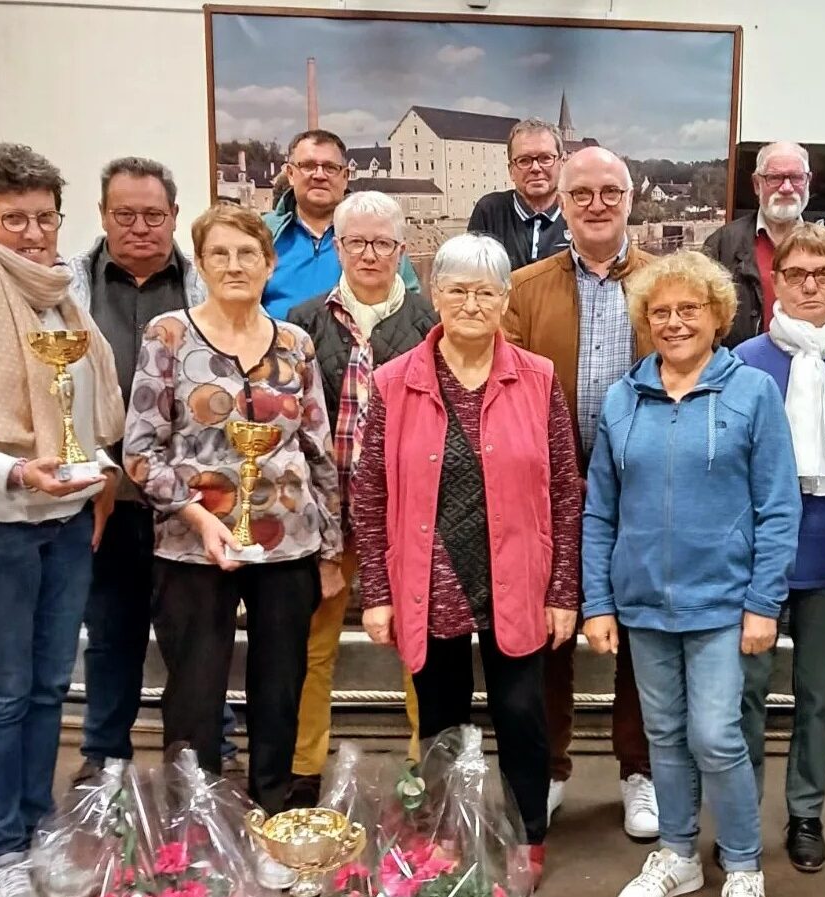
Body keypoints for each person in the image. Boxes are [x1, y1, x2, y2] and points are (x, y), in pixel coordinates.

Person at [123, 203, 343, 889]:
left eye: (248, 254)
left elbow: (319, 448)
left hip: (288, 544)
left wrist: (331, 546)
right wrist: (194, 513)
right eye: (219, 254)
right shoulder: (168, 337)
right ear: (202, 263)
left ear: (269, 264)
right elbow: (138, 450)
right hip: (191, 546)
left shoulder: (295, 344)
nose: (235, 266)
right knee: (194, 692)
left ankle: (274, 824)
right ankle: (197, 829)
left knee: (280, 690)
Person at [355, 233, 582, 886]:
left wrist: (563, 589)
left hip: (517, 576)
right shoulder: (394, 383)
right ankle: (443, 834)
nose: (472, 302)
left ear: (506, 299)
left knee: (521, 714)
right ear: (435, 295)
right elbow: (370, 492)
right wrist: (378, 591)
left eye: (486, 290)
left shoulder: (537, 379)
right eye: (457, 289)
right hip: (432, 579)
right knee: (441, 718)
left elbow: (565, 489)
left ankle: (526, 836)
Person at [582, 249, 800, 897]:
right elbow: (600, 511)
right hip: (643, 605)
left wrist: (764, 602)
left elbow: (778, 505)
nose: (674, 322)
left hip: (724, 605)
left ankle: (741, 863)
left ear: (718, 315)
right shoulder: (624, 398)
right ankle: (677, 854)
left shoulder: (752, 392)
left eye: (689, 309)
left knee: (716, 735)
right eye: (661, 312)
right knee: (665, 735)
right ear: (646, 321)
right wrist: (598, 601)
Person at [0, 143, 124, 897]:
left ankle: (38, 826)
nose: (34, 233)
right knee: (0, 694)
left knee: (51, 687)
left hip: (64, 521)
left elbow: (75, 408)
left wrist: (98, 469)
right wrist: (12, 469)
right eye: (14, 219)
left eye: (45, 216)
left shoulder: (59, 294)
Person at [64, 156, 243, 787]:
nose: (140, 227)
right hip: (103, 496)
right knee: (111, 631)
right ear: (103, 217)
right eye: (125, 215)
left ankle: (204, 757)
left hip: (192, 503)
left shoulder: (205, 288)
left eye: (154, 214)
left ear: (173, 216)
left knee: (199, 640)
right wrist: (90, 471)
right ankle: (104, 756)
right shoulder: (69, 292)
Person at [504, 146, 657, 838]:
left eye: (610, 191)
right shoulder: (524, 286)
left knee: (645, 636)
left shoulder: (666, 281)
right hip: (549, 495)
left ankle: (640, 772)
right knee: (549, 636)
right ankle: (553, 768)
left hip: (647, 492)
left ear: (631, 198)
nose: (596, 203)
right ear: (559, 202)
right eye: (581, 192)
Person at [734, 222, 825, 873]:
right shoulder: (742, 362)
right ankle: (740, 817)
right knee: (743, 698)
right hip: (753, 569)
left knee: (819, 697)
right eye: (797, 273)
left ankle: (805, 812)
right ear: (776, 281)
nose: (811, 283)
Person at [284, 190, 437, 806]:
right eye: (356, 242)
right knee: (312, 647)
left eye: (382, 243)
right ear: (338, 247)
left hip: (406, 520)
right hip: (327, 516)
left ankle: (425, 768)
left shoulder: (433, 324)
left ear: (401, 250)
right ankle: (301, 769)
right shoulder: (301, 321)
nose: (369, 254)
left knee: (417, 647)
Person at [703, 140, 825, 347]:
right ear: (757, 184)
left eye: (795, 178)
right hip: (742, 371)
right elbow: (702, 318)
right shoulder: (722, 244)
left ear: (808, 181)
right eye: (775, 178)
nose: (786, 188)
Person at [262, 129, 420, 319]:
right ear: (290, 173)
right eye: (308, 166)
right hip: (276, 345)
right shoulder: (263, 233)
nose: (319, 175)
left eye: (330, 167)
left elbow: (411, 306)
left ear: (345, 176)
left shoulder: (379, 233)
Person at [468, 118, 569, 270]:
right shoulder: (489, 211)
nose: (535, 168)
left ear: (562, 164)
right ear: (511, 171)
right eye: (524, 160)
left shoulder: (578, 213)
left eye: (546, 158)